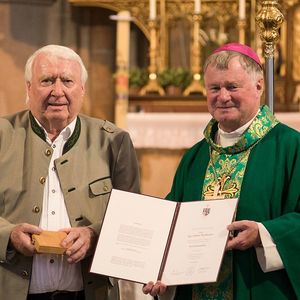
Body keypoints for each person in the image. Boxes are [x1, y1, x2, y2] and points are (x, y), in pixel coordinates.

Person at [143, 43, 300, 299]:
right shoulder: (195, 156)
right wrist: (161, 272)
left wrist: (264, 234)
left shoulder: (291, 147)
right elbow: (171, 227)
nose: (223, 96)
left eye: (232, 87)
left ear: (259, 86)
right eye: (214, 88)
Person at [0, 45, 140, 300]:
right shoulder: (2, 136)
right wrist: (8, 236)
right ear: (28, 87)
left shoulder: (113, 141)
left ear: (82, 89)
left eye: (67, 81)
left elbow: (134, 217)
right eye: (46, 80)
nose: (58, 91)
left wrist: (93, 235)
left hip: (90, 292)